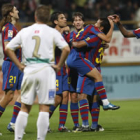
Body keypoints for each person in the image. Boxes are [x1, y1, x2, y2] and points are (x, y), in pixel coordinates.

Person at [5, 5, 70, 140]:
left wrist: (19, 65)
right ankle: (41, 138)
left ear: (35, 17)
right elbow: (66, 49)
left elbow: (8, 48)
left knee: (24, 107)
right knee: (44, 108)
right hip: (46, 71)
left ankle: (17, 138)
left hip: (29, 70)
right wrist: (58, 65)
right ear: (47, 18)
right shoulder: (53, 32)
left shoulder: (25, 31)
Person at [67, 17, 120, 130]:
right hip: (96, 67)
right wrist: (111, 26)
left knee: (82, 96)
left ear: (100, 28)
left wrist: (73, 42)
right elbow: (106, 40)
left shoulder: (94, 36)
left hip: (88, 69)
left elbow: (79, 44)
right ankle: (95, 126)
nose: (94, 23)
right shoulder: (101, 39)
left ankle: (86, 125)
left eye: (97, 22)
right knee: (94, 98)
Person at [0, 3, 23, 132]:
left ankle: (13, 123)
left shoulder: (13, 28)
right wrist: (24, 43)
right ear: (10, 13)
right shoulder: (8, 28)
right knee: (8, 96)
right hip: (11, 64)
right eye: (15, 10)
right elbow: (8, 46)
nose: (18, 11)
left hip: (18, 64)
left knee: (23, 93)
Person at [48, 11, 70, 132]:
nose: (65, 19)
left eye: (65, 17)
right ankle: (44, 123)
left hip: (63, 69)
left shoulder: (66, 33)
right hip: (53, 70)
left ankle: (61, 126)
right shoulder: (51, 33)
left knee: (65, 96)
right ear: (56, 21)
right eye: (62, 18)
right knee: (56, 99)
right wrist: (61, 32)